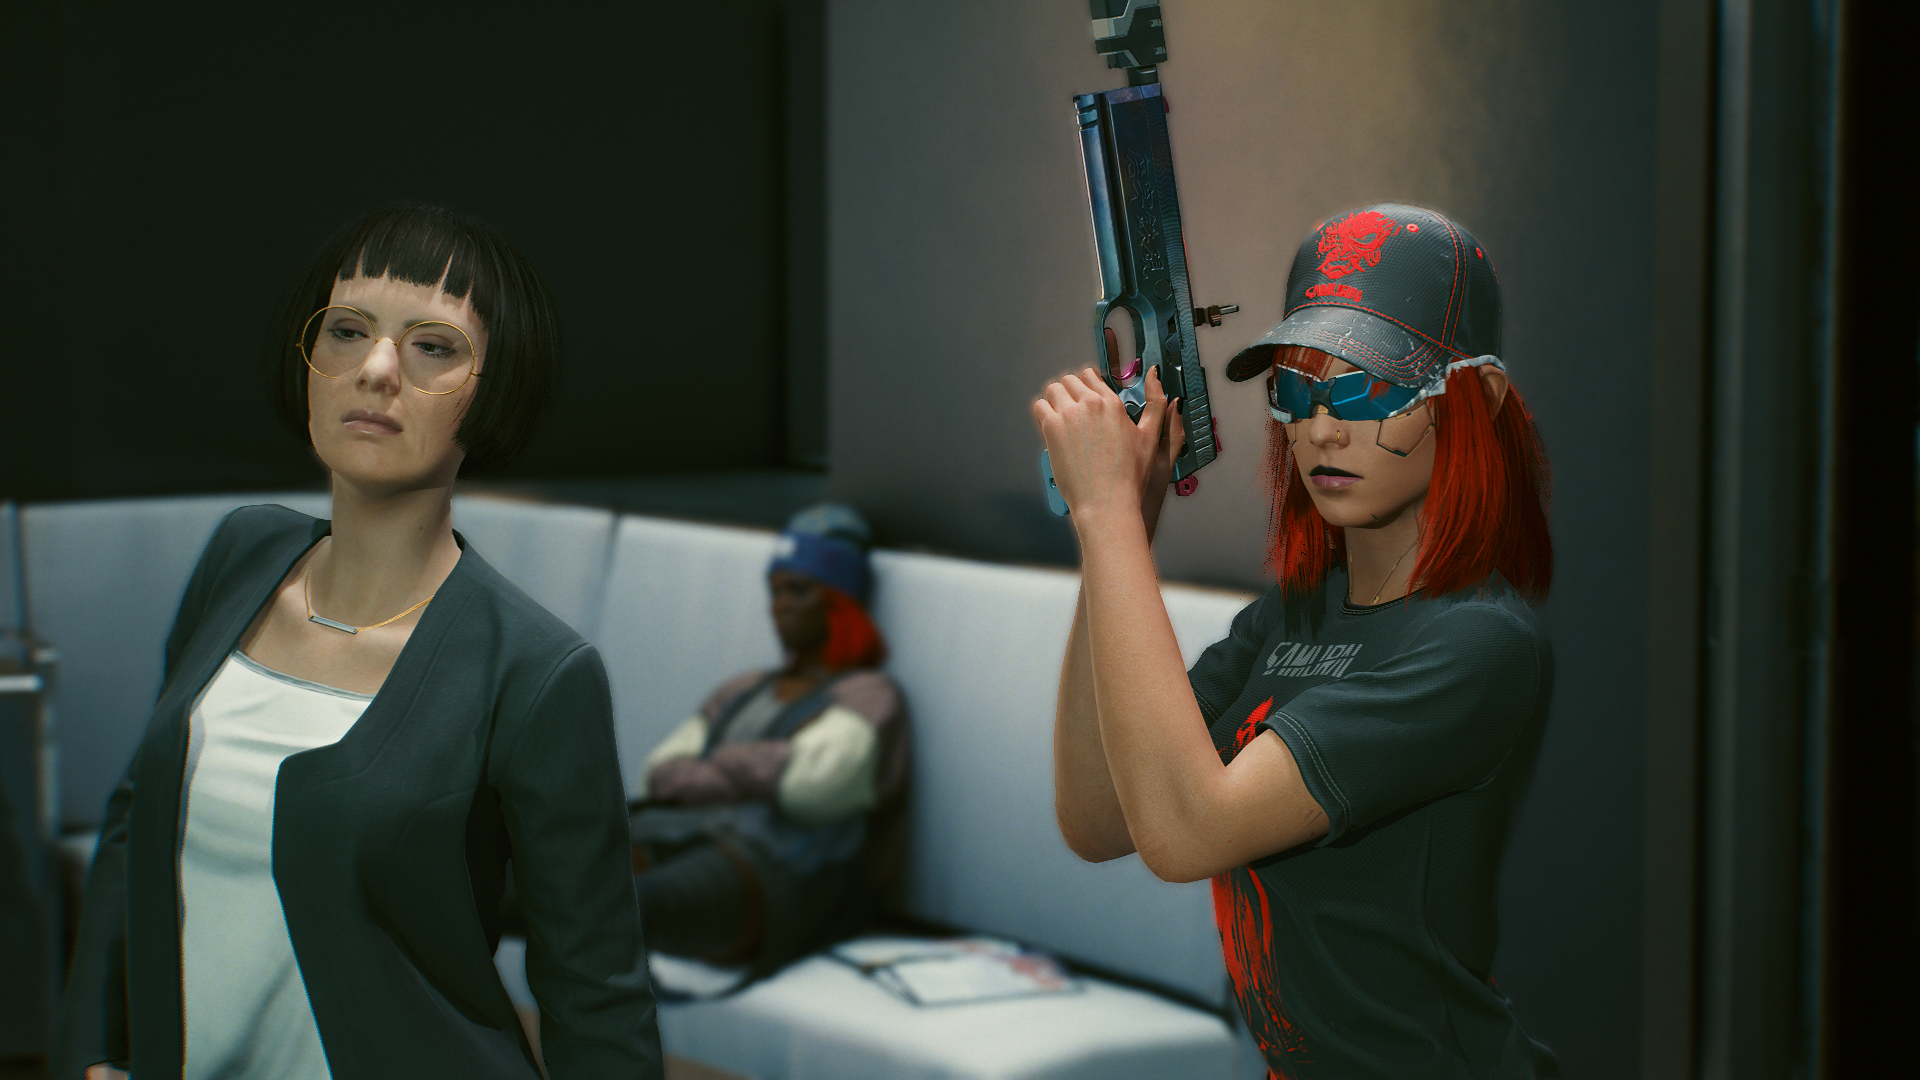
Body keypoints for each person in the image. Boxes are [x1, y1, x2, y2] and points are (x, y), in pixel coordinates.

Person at [56, 205, 661, 1080]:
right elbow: (134, 820)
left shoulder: (535, 671)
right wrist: (92, 1053)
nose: (376, 370)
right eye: (347, 330)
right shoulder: (241, 556)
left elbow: (595, 995)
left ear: (495, 390)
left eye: (433, 346)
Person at [1036, 204, 1557, 1078]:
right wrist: (1119, 528)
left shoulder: (1477, 647)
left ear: (1484, 397)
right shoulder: (1291, 617)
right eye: (1296, 390)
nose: (1323, 429)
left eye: (1370, 388)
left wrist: (1109, 516)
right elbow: (1098, 819)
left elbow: (1188, 835)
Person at [626, 505, 908, 981]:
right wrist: (762, 771)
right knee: (563, 870)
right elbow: (660, 773)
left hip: (778, 868)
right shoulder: (743, 688)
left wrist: (718, 761)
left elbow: (809, 788)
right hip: (686, 835)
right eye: (774, 591)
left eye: (798, 590)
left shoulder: (869, 695)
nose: (780, 605)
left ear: (839, 600)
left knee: (624, 906)